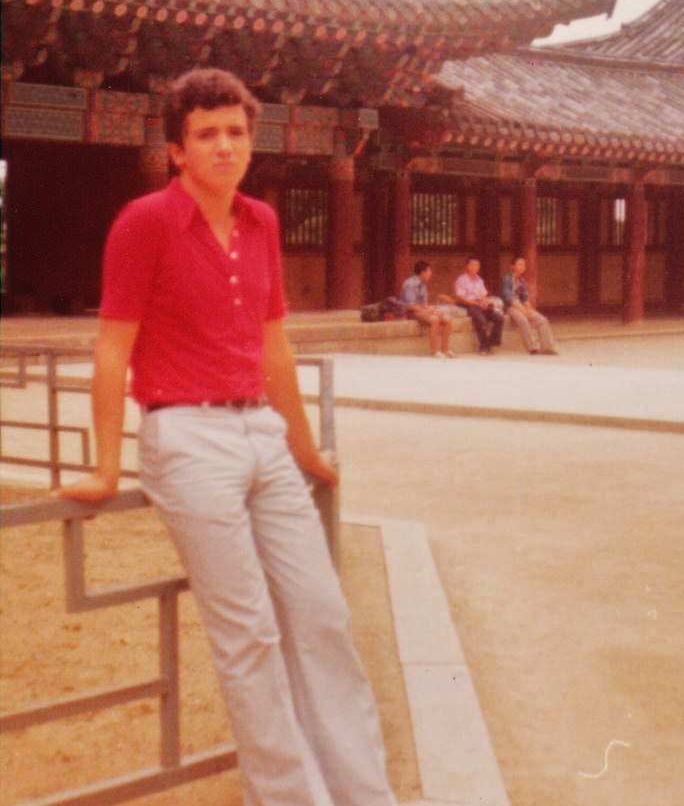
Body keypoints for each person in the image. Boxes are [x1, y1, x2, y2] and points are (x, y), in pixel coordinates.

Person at [52, 69, 396, 806]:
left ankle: (365, 794)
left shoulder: (261, 222)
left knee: (322, 617)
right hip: (185, 438)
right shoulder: (144, 222)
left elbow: (275, 346)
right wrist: (107, 466)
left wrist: (303, 448)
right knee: (249, 637)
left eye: (236, 132)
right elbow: (112, 350)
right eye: (206, 134)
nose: (224, 146)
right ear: (177, 151)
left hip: (261, 434)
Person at [501, 256, 558, 354]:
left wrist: (529, 310)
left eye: (524, 265)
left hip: (521, 306)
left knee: (542, 319)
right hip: (510, 307)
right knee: (523, 320)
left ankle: (548, 347)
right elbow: (509, 298)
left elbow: (525, 298)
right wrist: (524, 311)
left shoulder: (522, 280)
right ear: (513, 266)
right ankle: (532, 348)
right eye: (520, 264)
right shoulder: (506, 279)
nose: (522, 267)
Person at [401, 259, 455, 357]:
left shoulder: (423, 284)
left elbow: (424, 303)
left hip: (422, 310)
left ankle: (445, 349)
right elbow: (410, 305)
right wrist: (427, 311)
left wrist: (431, 309)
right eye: (429, 271)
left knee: (447, 319)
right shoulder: (409, 284)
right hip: (411, 312)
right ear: (423, 272)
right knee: (434, 319)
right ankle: (433, 351)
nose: (431, 273)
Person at [454, 255, 504, 354]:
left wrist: (484, 302)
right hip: (468, 304)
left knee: (499, 318)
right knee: (481, 320)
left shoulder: (479, 280)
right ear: (468, 266)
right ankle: (484, 347)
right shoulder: (461, 279)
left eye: (477, 265)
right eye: (473, 265)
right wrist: (475, 303)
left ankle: (491, 343)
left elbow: (484, 295)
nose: (475, 267)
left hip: (479, 304)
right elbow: (460, 297)